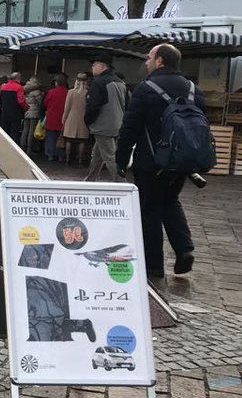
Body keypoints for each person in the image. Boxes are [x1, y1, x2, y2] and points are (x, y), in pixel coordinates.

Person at [116, 43, 205, 280]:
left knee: (150, 210)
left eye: (149, 57)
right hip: (182, 161)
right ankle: (184, 249)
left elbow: (130, 128)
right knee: (170, 201)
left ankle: (154, 266)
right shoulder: (193, 89)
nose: (146, 61)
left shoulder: (146, 89)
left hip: (151, 161)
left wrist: (121, 159)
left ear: (160, 61)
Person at [84, 54, 129, 182]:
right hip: (117, 124)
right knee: (97, 155)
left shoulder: (98, 82)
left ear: (102, 65)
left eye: (94, 64)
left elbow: (92, 106)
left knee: (110, 157)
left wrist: (88, 122)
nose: (92, 67)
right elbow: (127, 104)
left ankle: (122, 185)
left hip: (103, 125)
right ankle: (89, 180)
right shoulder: (120, 82)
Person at [62, 73, 90, 165]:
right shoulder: (88, 93)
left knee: (69, 140)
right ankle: (80, 161)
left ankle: (67, 160)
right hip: (83, 119)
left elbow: (67, 107)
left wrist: (64, 119)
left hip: (71, 118)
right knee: (82, 141)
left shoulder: (70, 92)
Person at [43, 73, 68, 161]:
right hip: (62, 118)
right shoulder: (67, 92)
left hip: (51, 117)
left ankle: (51, 155)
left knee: (50, 137)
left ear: (56, 82)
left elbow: (45, 103)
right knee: (61, 138)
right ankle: (60, 155)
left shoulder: (51, 92)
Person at [0, 72, 26, 144]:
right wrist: (26, 107)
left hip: (5, 113)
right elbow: (21, 101)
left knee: (5, 132)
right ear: (17, 79)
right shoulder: (19, 87)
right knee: (14, 133)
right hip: (15, 114)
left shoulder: (3, 87)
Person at [21, 75, 44, 155]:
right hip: (34, 112)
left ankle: (22, 147)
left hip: (26, 111)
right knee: (31, 131)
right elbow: (40, 102)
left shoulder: (25, 89)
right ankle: (29, 149)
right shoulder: (36, 91)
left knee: (25, 130)